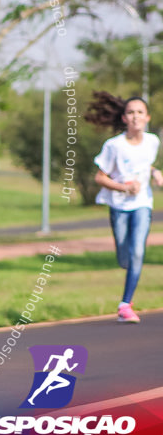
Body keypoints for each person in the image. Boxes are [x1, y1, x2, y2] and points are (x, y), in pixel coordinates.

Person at [85, 91, 163, 323]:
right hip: (118, 204)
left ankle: (125, 305)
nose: (136, 116)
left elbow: (146, 165)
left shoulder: (153, 141)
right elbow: (100, 178)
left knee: (138, 251)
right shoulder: (114, 146)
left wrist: (156, 172)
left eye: (140, 112)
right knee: (124, 256)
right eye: (131, 112)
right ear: (124, 119)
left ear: (147, 118)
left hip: (142, 204)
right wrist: (123, 187)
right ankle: (127, 265)